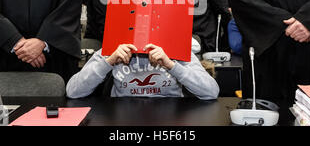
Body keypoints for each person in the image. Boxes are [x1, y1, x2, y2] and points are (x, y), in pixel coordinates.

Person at [66, 40, 219, 100]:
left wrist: (172, 65)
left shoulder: (176, 48)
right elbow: (73, 91)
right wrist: (109, 62)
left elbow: (211, 91)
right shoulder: (113, 49)